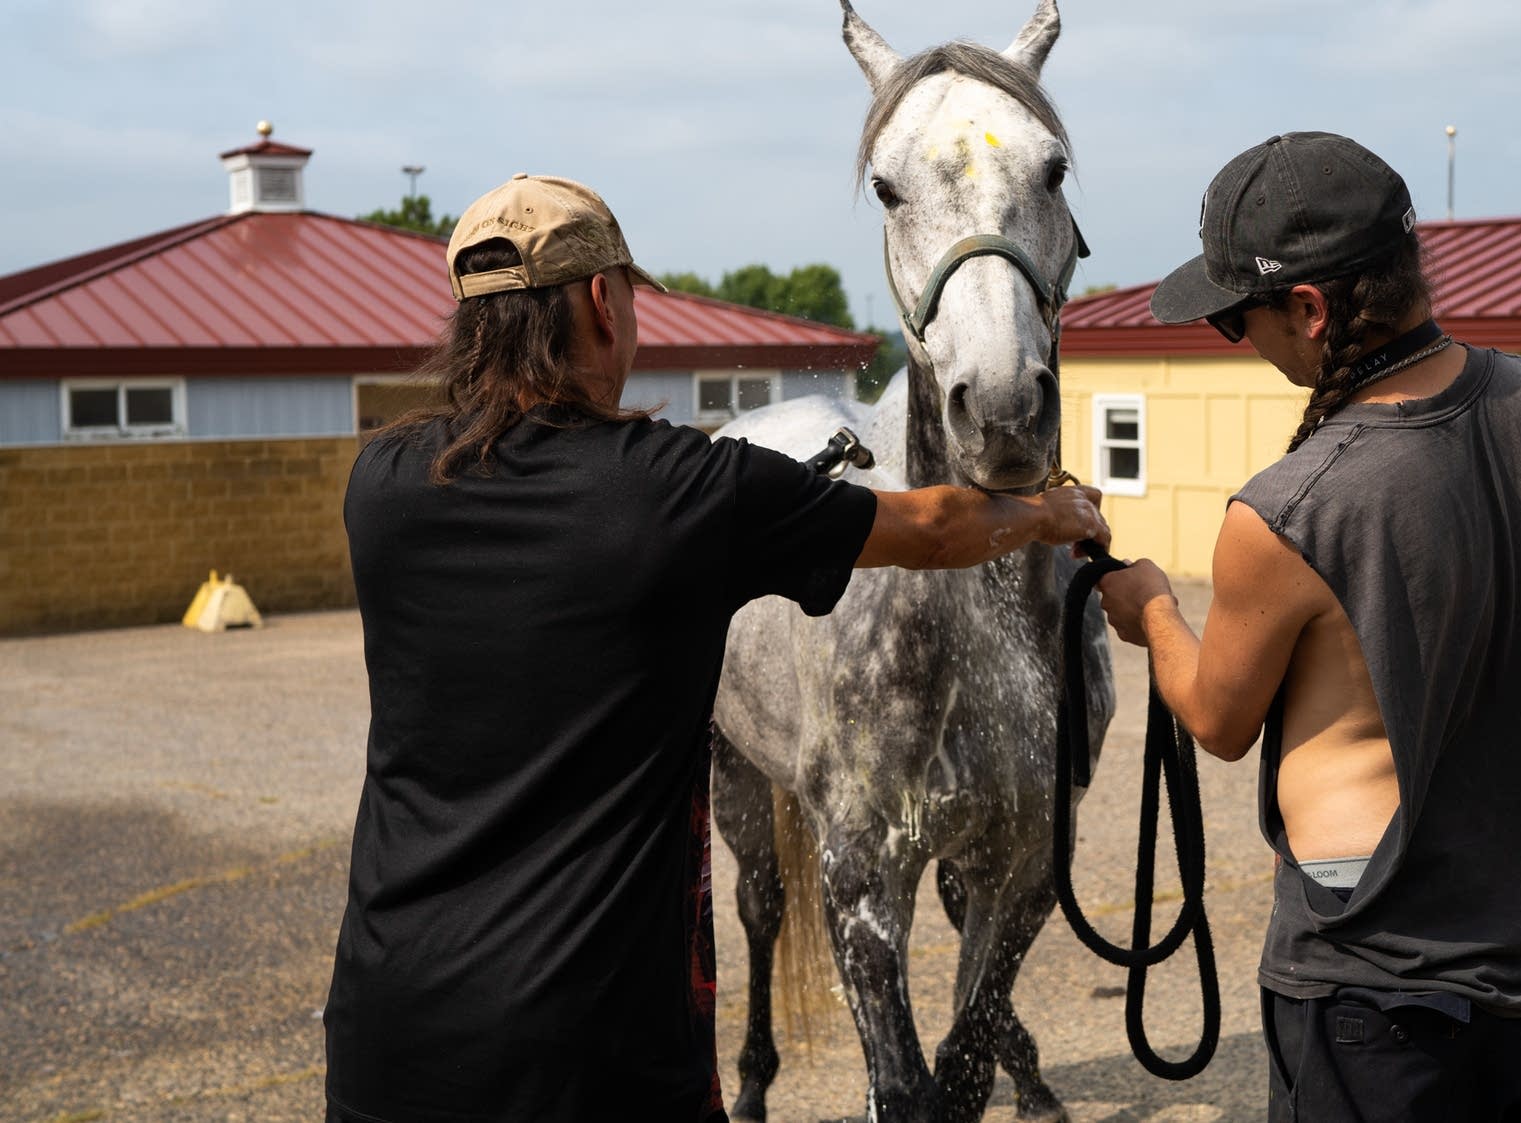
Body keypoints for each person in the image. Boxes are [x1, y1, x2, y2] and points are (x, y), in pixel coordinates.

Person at [323, 173, 1108, 1123]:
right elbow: (936, 529)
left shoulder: (381, 483)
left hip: (387, 1034)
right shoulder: (682, 491)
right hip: (595, 1053)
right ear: (603, 303)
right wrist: (1051, 512)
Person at [1095, 133, 1521, 1121]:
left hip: (1369, 984)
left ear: (1308, 309)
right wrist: (1513, 846)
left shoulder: (1289, 507)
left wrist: (1153, 609)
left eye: (1236, 320)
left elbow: (1217, 718)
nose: (1242, 343)